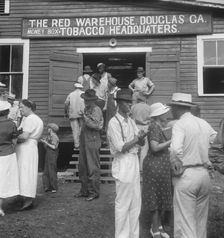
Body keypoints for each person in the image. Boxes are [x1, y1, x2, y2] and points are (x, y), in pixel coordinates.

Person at [169, 93, 219, 238]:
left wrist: (175, 165)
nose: (171, 110)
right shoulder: (203, 123)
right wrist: (208, 157)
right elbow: (216, 140)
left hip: (187, 174)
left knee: (184, 223)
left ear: (178, 107)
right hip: (204, 174)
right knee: (200, 221)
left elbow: (175, 149)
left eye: (172, 107)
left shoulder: (180, 124)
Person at [107, 89, 146, 238]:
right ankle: (122, 235)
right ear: (120, 104)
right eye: (127, 102)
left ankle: (133, 234)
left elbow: (139, 141)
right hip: (123, 162)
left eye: (131, 102)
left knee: (136, 201)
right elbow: (121, 147)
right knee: (123, 203)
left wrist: (141, 137)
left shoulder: (130, 120)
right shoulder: (113, 123)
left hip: (134, 160)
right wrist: (137, 139)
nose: (130, 105)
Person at [142, 102, 172, 238]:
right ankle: (154, 229)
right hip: (155, 166)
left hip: (161, 167)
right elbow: (154, 147)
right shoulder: (154, 126)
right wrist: (171, 141)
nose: (167, 114)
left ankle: (159, 225)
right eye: (165, 113)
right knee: (155, 197)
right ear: (159, 115)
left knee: (160, 196)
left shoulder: (159, 126)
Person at [74, 89, 103, 201]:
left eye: (87, 100)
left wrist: (84, 117)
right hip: (84, 139)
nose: (85, 101)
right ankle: (84, 190)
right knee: (82, 166)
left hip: (93, 139)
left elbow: (95, 125)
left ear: (92, 100)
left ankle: (94, 192)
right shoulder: (87, 109)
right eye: (85, 99)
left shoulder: (96, 110)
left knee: (92, 167)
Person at [16, 99, 44, 210]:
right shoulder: (35, 119)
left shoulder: (30, 119)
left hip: (26, 147)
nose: (20, 109)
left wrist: (12, 138)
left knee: (26, 172)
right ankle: (25, 198)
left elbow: (24, 136)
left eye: (22, 107)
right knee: (27, 172)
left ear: (29, 107)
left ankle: (27, 201)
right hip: (30, 147)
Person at [0, 101, 20, 216]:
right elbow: (14, 141)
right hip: (7, 154)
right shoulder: (11, 124)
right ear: (7, 112)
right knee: (3, 180)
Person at [131, 92, 151, 171]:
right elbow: (151, 118)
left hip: (135, 127)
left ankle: (134, 168)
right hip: (145, 127)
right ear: (145, 99)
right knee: (144, 149)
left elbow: (130, 116)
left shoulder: (133, 107)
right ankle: (142, 169)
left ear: (138, 99)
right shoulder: (149, 107)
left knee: (134, 148)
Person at [64, 83, 85, 149]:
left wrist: (65, 112)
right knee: (83, 128)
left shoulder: (71, 94)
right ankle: (82, 143)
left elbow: (66, 103)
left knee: (75, 129)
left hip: (73, 113)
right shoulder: (83, 93)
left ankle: (77, 145)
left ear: (75, 87)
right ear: (81, 88)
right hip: (82, 113)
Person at [41, 123, 59, 193]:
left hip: (52, 154)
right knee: (46, 171)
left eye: (48, 128)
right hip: (48, 154)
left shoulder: (54, 137)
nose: (47, 129)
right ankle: (47, 187)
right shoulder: (49, 136)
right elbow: (47, 146)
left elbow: (54, 147)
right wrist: (44, 142)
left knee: (52, 170)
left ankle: (54, 187)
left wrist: (46, 142)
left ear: (51, 129)